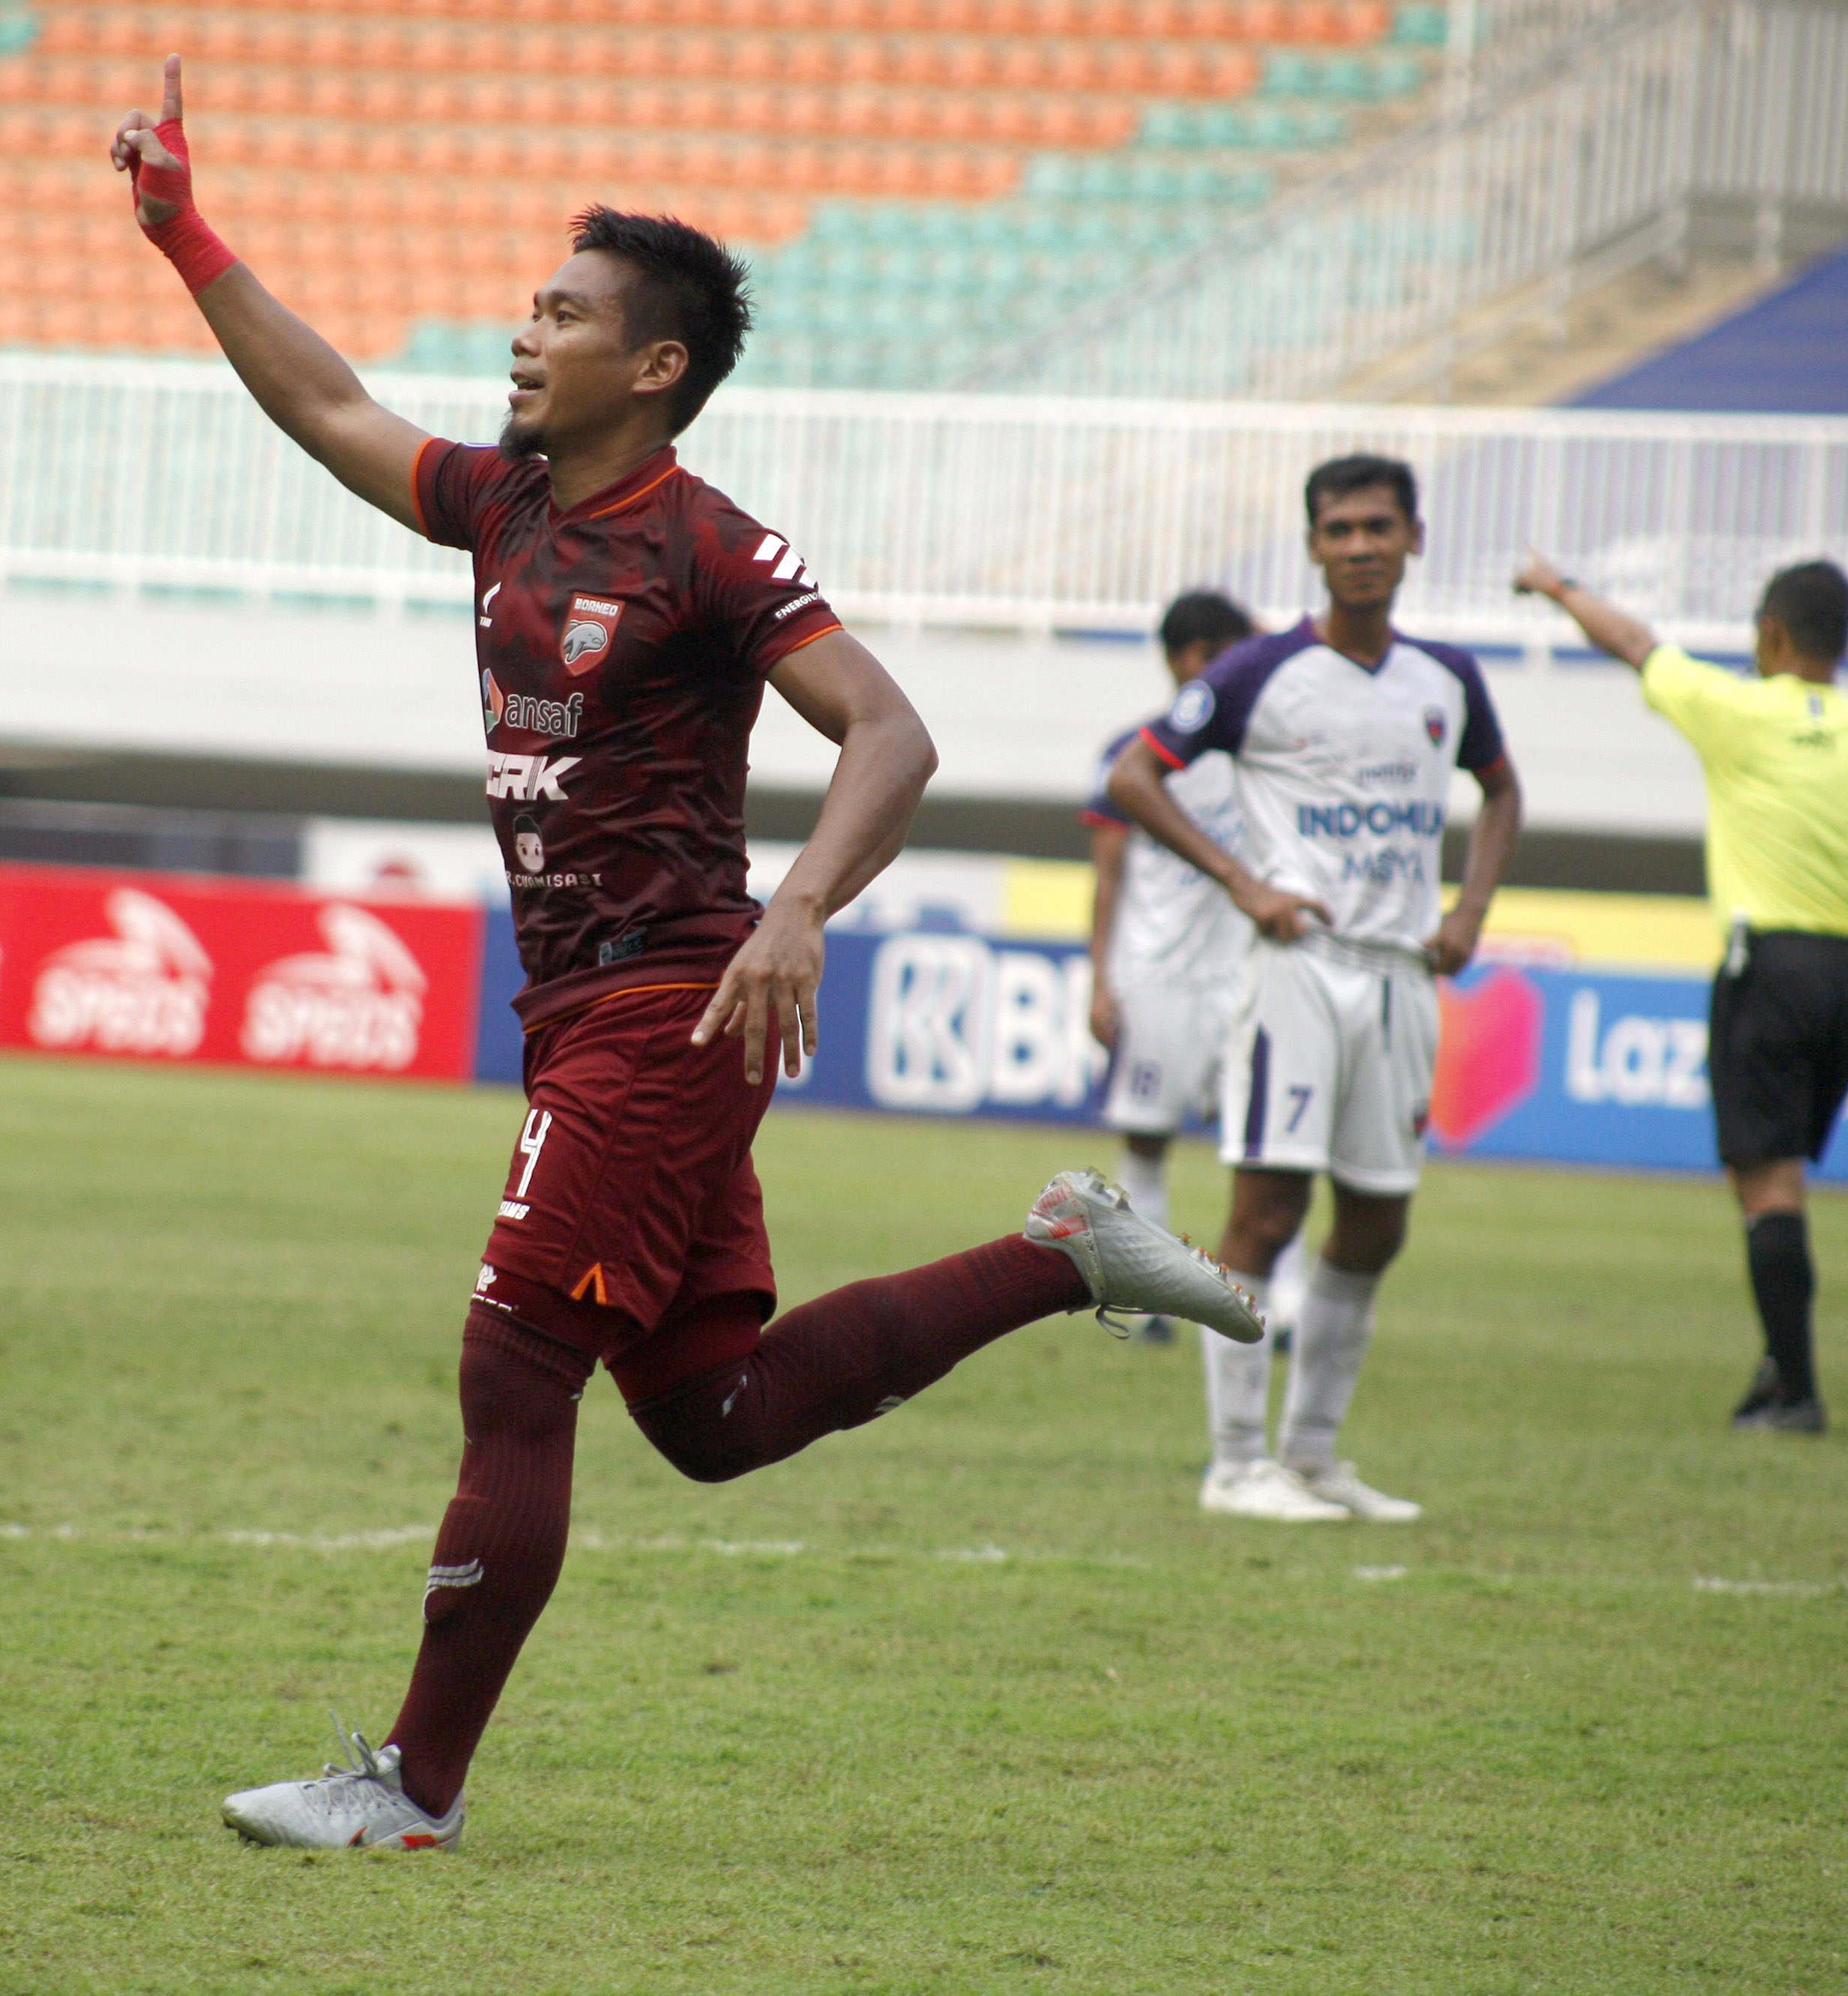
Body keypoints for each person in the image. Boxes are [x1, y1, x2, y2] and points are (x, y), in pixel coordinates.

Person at [110, 58, 1266, 1852]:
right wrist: (183, 230)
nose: (523, 330)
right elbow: (328, 406)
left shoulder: (704, 545)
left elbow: (888, 731)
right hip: (594, 1012)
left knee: (512, 1364)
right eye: (530, 303)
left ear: (651, 366)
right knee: (714, 1417)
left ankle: (409, 1788)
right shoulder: (505, 501)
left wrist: (798, 908)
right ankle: (1062, 1254)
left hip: (669, 1005)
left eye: (561, 313)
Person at [1107, 455, 1523, 1525]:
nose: (1359, 545)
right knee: (1268, 1210)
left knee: (1379, 1224)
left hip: (1401, 980)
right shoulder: (1258, 671)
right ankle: (1236, 1461)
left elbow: (1503, 786)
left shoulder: (1448, 677)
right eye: (1338, 529)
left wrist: (1470, 908)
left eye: (1378, 526)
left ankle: (1315, 1455)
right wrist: (1244, 879)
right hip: (1296, 975)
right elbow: (1133, 778)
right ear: (1313, 545)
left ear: (1413, 538)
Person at [1515, 553, 1848, 1434]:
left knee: (1767, 1183)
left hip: (1766, 963)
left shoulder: (1736, 709)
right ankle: (1778, 1364)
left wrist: (1558, 587)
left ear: (1771, 635)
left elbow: (1633, 642)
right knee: (1786, 1175)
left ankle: (1795, 1389)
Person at [1082, 588, 1308, 1349]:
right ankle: (1146, 1299)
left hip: (1247, 976)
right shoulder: (1131, 753)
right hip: (1157, 980)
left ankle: (1285, 1308)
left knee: (1279, 1145)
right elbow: (1107, 877)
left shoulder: (1259, 748)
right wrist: (1099, 979)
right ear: (1192, 661)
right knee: (1146, 1140)